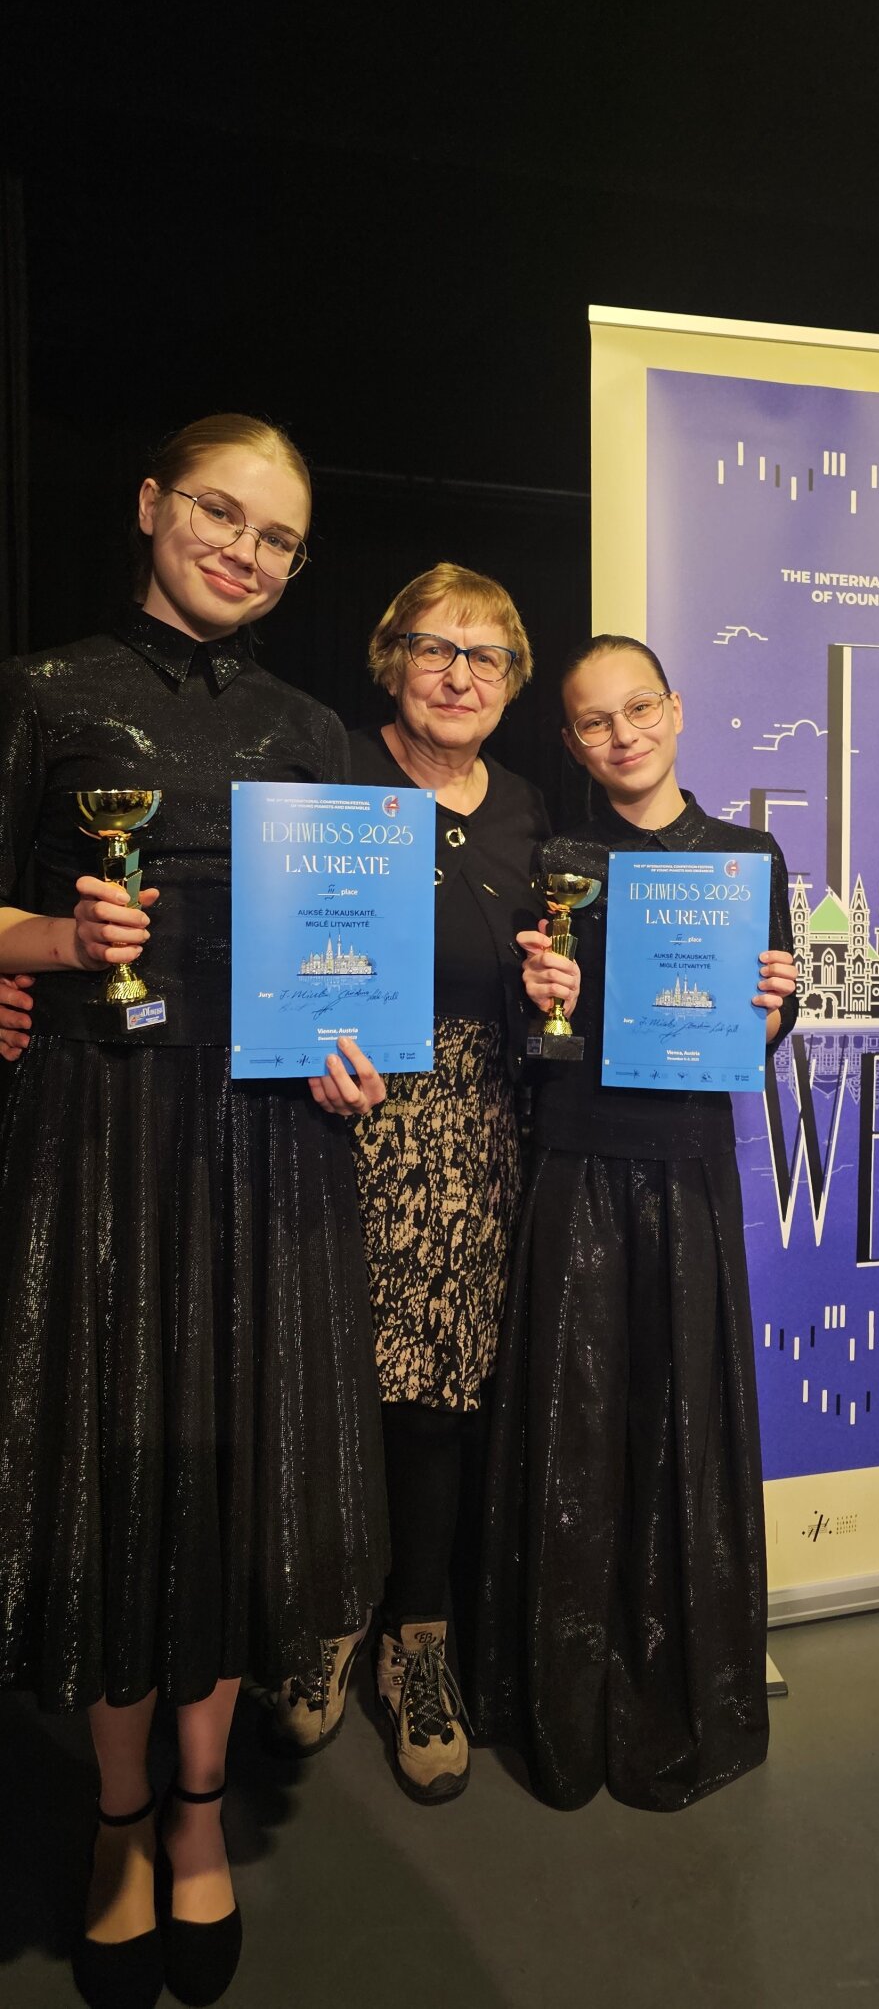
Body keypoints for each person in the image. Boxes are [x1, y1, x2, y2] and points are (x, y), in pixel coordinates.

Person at [0, 415, 391, 2009]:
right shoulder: (41, 694)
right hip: (96, 1138)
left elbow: (359, 946)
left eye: (278, 535)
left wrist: (360, 1052)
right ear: (153, 502)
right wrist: (46, 940)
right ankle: (116, 1817)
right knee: (114, 1473)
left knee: (232, 1472)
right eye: (222, 512)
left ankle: (200, 1806)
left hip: (269, 1142)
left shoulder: (313, 727)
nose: (245, 549)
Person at [267, 564, 578, 1806]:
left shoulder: (529, 811)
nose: (459, 675)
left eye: (485, 656)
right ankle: (322, 1616)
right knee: (322, 1379)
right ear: (389, 658)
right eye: (435, 648)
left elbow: (540, 984)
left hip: (472, 1132)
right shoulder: (327, 772)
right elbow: (271, 949)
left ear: (512, 682)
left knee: (437, 1403)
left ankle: (420, 1642)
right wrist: (304, 1050)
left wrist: (554, 991)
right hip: (323, 1116)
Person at [476, 633, 798, 1812]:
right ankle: (561, 1704)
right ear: (570, 741)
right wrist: (542, 1004)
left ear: (676, 709)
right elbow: (532, 1048)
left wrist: (772, 1012)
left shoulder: (748, 856)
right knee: (574, 1429)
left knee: (681, 1426)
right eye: (594, 720)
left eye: (639, 709)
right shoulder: (556, 860)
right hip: (576, 1162)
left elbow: (766, 1029)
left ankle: (680, 1691)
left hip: (689, 1169)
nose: (623, 734)